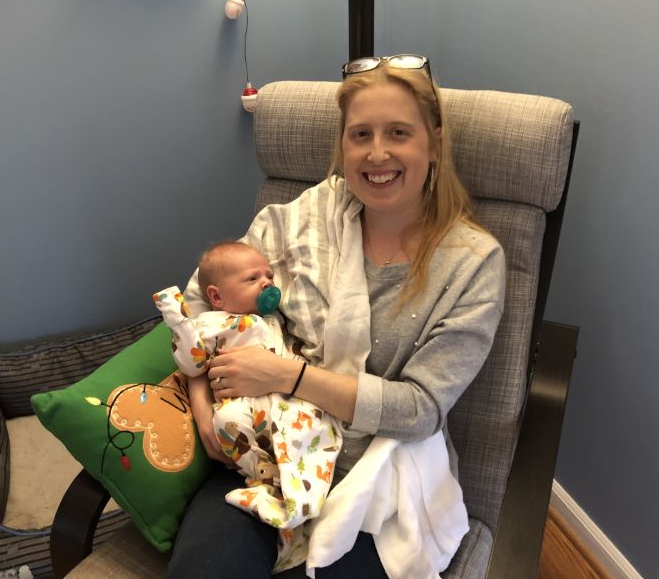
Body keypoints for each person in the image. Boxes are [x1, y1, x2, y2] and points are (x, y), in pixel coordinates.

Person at [168, 54, 506, 579]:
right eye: (360, 134)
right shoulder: (301, 220)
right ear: (343, 146)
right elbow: (199, 307)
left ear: (435, 143)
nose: (377, 153)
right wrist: (199, 397)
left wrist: (286, 374)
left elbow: (420, 409)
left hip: (374, 479)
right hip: (265, 453)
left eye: (398, 132)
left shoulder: (471, 263)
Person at [153, 241, 341, 571]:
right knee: (226, 419)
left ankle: (299, 479)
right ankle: (265, 478)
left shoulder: (274, 319)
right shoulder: (211, 324)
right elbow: (193, 363)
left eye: (269, 276)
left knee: (314, 422)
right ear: (217, 297)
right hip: (244, 408)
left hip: (285, 401)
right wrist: (178, 319)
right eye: (252, 279)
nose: (267, 283)